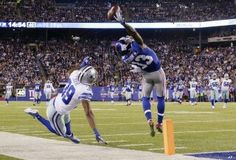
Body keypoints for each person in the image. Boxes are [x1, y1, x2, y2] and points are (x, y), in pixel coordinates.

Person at [24, 57, 107, 144]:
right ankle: (37, 115)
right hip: (55, 112)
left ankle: (69, 134)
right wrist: (96, 132)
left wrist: (82, 64)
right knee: (59, 133)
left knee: (67, 113)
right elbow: (88, 113)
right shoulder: (84, 91)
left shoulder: (74, 74)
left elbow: (75, 70)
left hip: (57, 100)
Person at [112, 9, 166, 136]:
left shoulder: (125, 58)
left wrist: (139, 69)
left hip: (146, 74)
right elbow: (134, 32)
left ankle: (149, 120)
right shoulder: (138, 45)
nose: (127, 38)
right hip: (157, 72)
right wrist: (123, 23)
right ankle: (159, 122)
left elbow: (135, 61)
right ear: (128, 45)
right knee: (160, 97)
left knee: (145, 97)